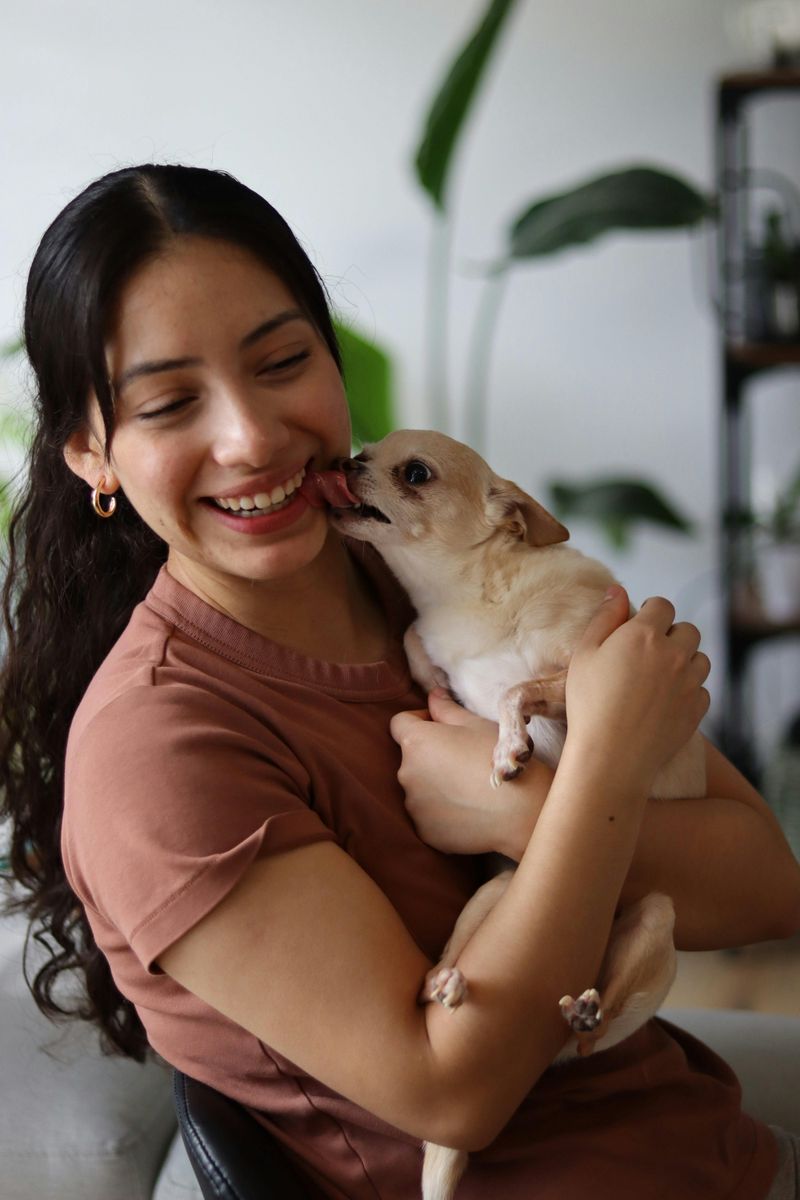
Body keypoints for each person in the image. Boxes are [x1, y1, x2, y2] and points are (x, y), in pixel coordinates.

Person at [1, 163, 798, 1200]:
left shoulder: (435, 576)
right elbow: (453, 1095)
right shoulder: (162, 753)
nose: (249, 438)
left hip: (712, 1151)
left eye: (282, 360)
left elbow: (761, 886)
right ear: (90, 453)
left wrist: (518, 812)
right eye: (169, 403)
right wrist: (583, 768)